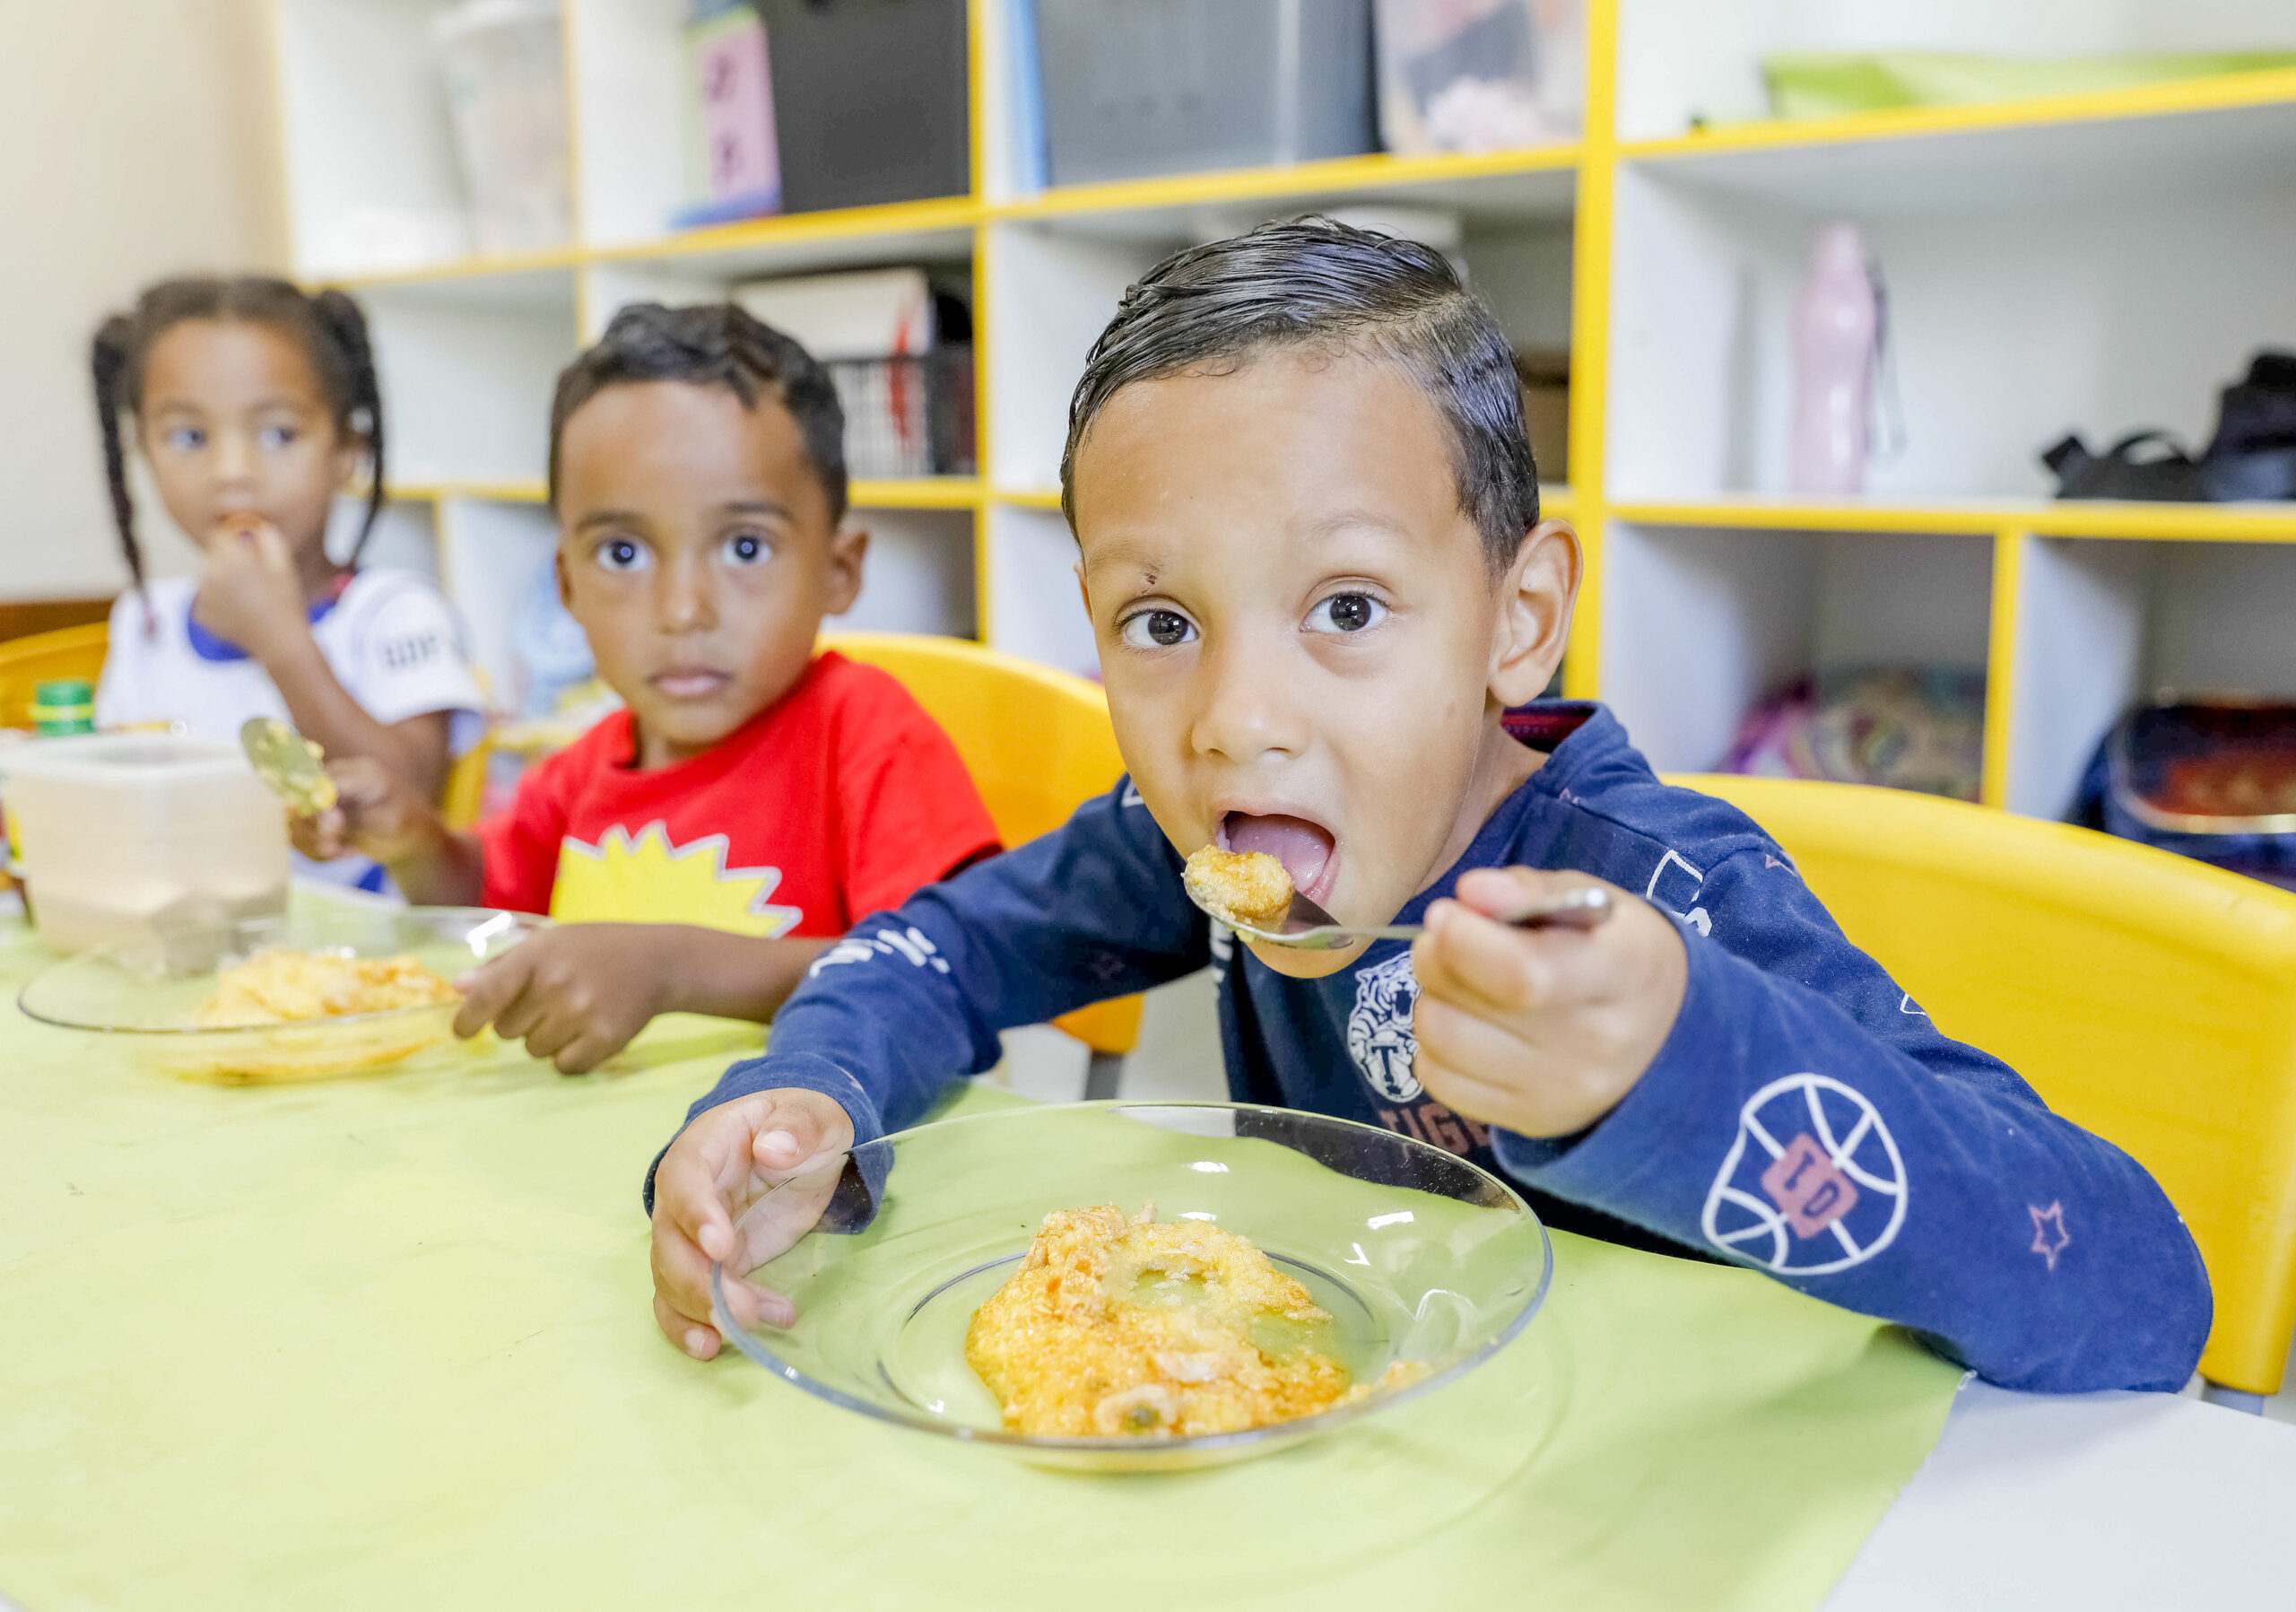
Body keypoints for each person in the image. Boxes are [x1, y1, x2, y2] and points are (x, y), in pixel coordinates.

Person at [644, 220, 2212, 1395]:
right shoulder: (1187, 838)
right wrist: (809, 1100)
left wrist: (1683, 1064)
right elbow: (938, 951)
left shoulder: (1653, 895)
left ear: (1517, 619)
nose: (1238, 724)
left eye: (1345, 606)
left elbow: (2148, 1290)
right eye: (1163, 624)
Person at [299, 303, 1000, 1074]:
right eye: (624, 553)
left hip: (812, 1158)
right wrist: (412, 840)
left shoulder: (867, 738)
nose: (681, 610)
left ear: (839, 571)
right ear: (567, 584)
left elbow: (941, 967)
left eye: (743, 546)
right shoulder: (585, 766)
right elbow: (489, 906)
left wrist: (671, 970)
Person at [90, 277, 485, 893]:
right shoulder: (145, 622)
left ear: (347, 451)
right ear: (144, 448)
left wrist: (281, 642)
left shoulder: (394, 615)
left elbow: (408, 802)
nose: (232, 474)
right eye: (189, 437)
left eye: (278, 434)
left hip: (367, 955)